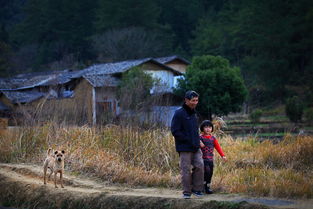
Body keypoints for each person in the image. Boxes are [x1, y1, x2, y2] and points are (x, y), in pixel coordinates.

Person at [171, 90, 204, 199]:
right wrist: (188, 140)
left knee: (200, 166)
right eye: (193, 100)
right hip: (184, 147)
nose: (195, 102)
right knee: (186, 170)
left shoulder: (194, 113)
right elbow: (175, 131)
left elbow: (195, 131)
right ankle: (187, 192)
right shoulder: (179, 113)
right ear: (186, 100)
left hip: (196, 146)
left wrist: (198, 140)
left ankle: (197, 189)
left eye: (197, 100)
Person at [199, 120, 227, 194]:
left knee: (210, 173)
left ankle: (207, 187)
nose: (208, 129)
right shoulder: (200, 138)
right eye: (206, 127)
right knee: (206, 172)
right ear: (202, 128)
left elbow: (218, 147)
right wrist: (199, 142)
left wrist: (223, 155)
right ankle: (202, 187)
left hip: (210, 159)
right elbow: (194, 143)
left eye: (210, 127)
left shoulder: (213, 138)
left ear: (212, 128)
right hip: (202, 159)